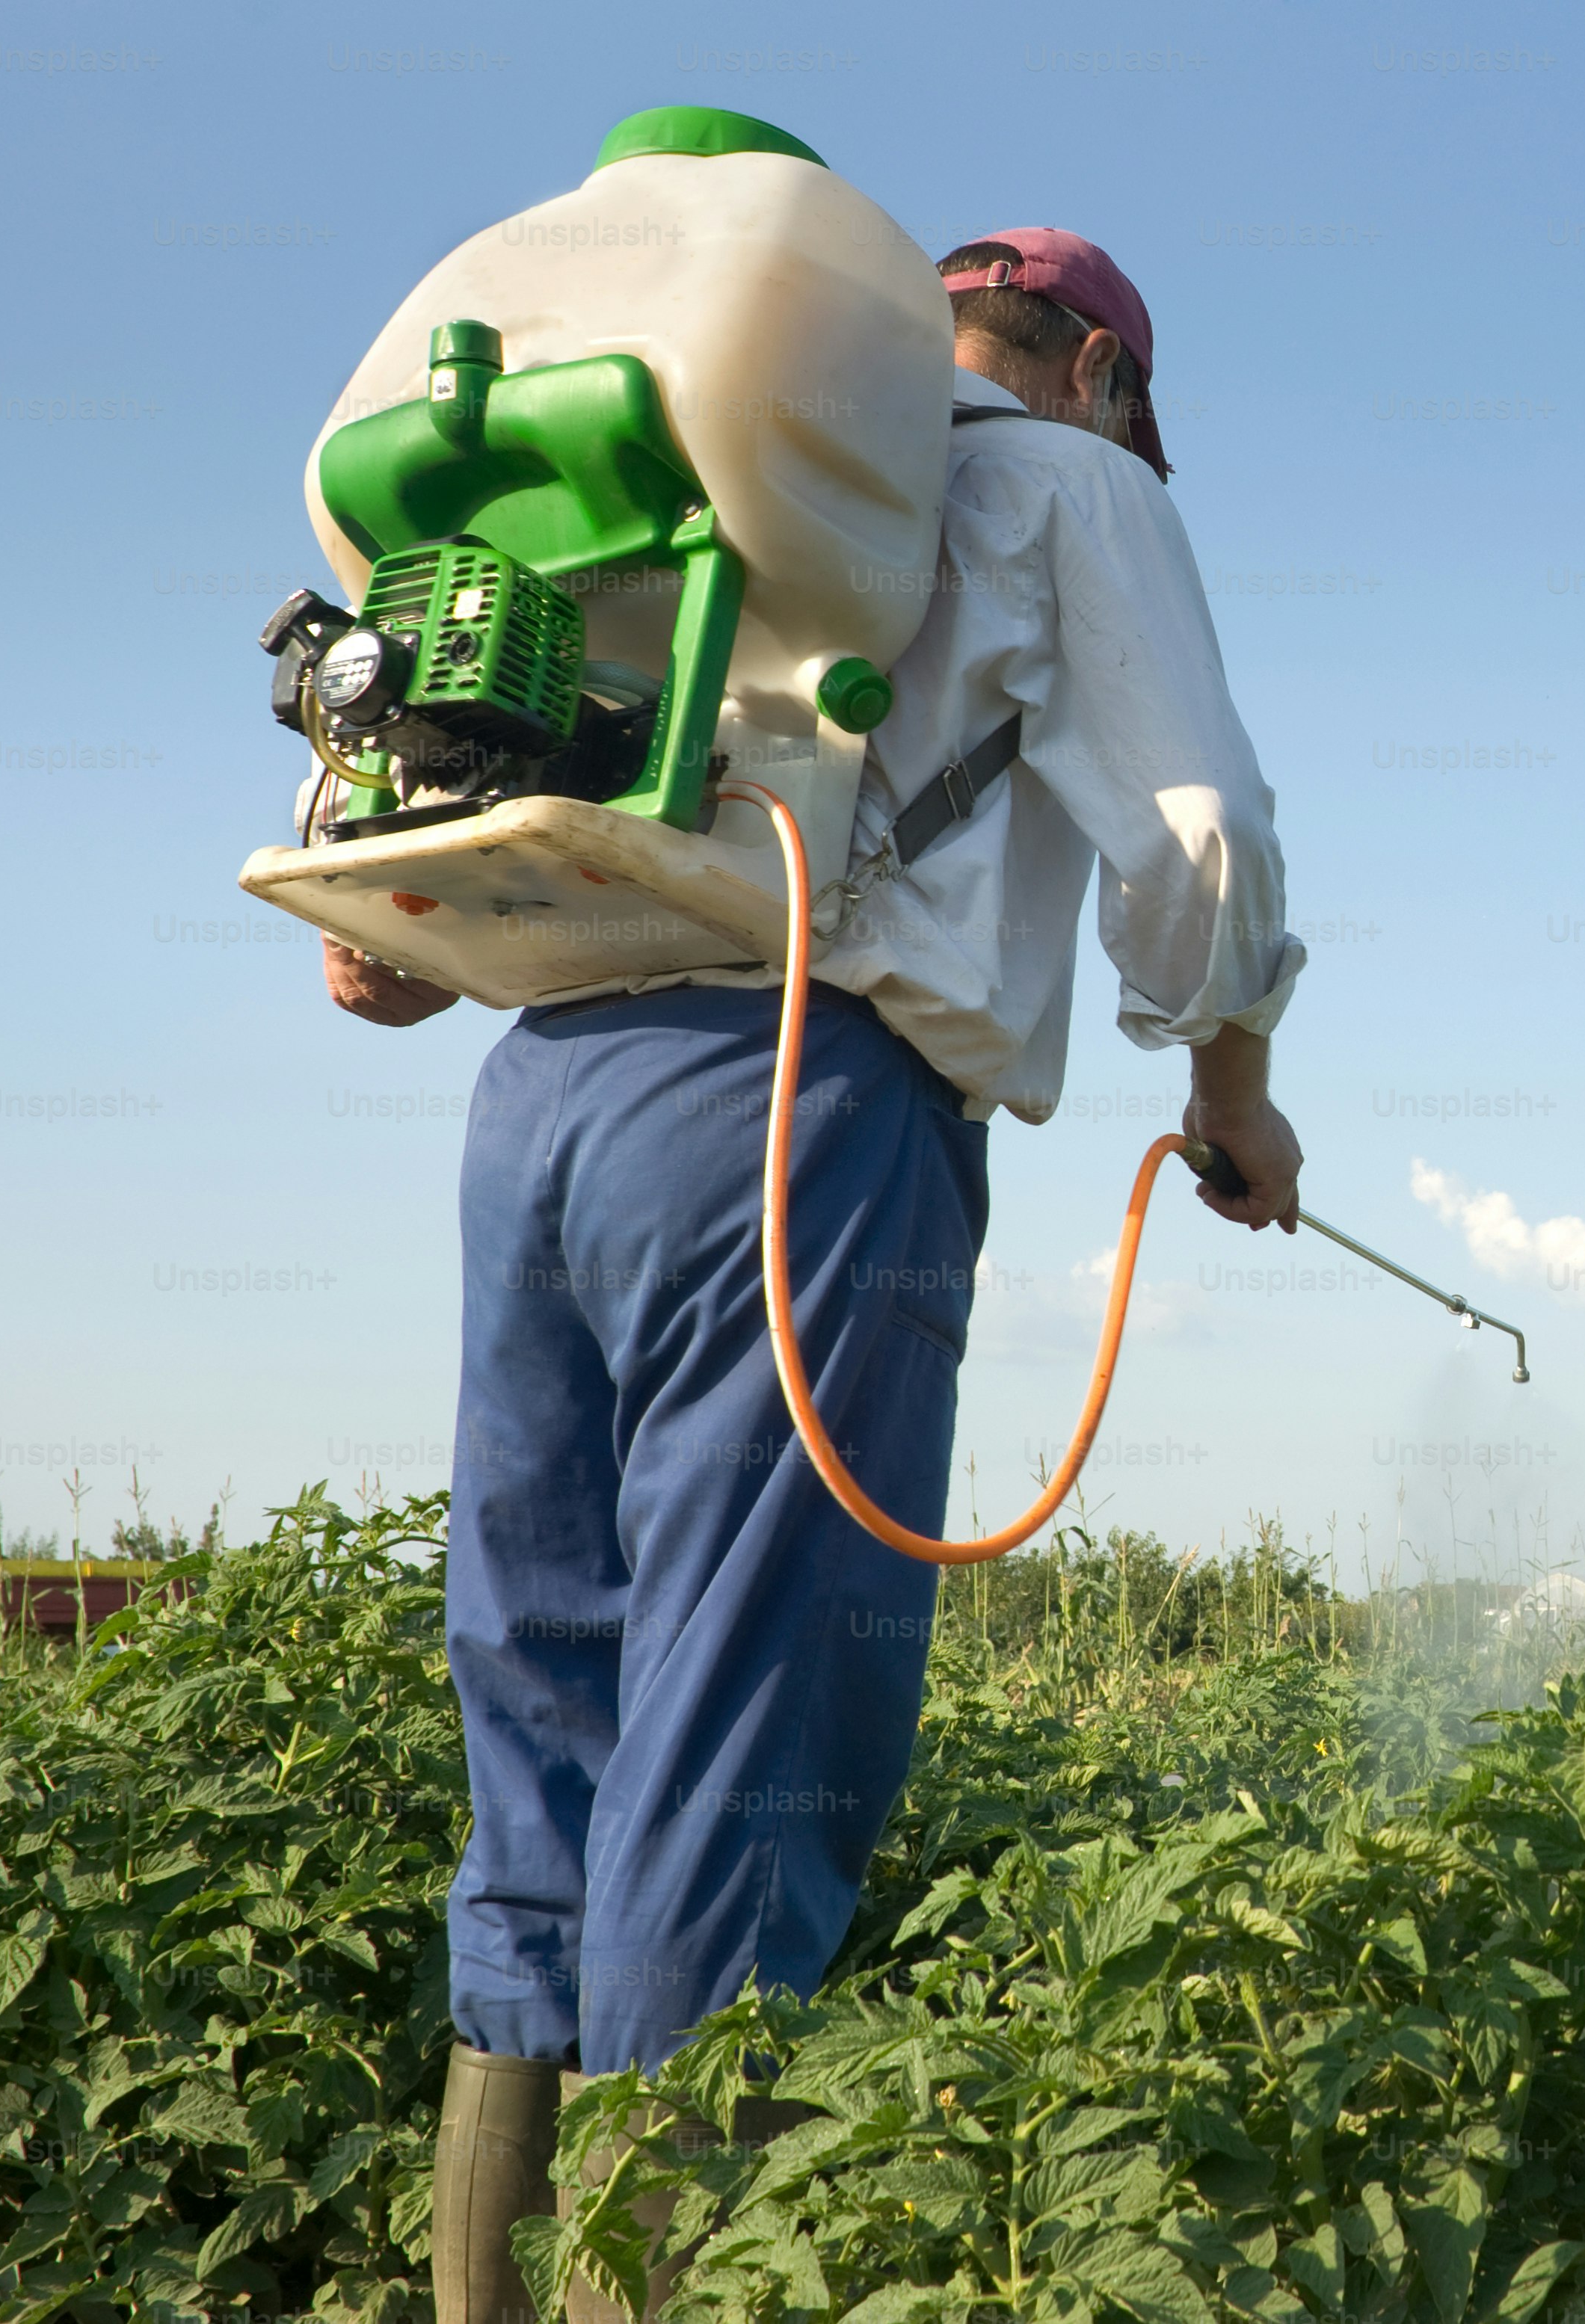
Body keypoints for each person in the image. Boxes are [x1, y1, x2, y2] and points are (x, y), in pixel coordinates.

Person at [336, 229, 1307, 2321]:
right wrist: (1231, 1085)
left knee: (549, 1714)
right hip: (798, 1104)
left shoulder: (695, 465)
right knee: (741, 1735)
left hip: (542, 1101)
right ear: (1106, 379)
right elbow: (1194, 831)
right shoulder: (1066, 482)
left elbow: (409, 888)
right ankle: (656, 2289)